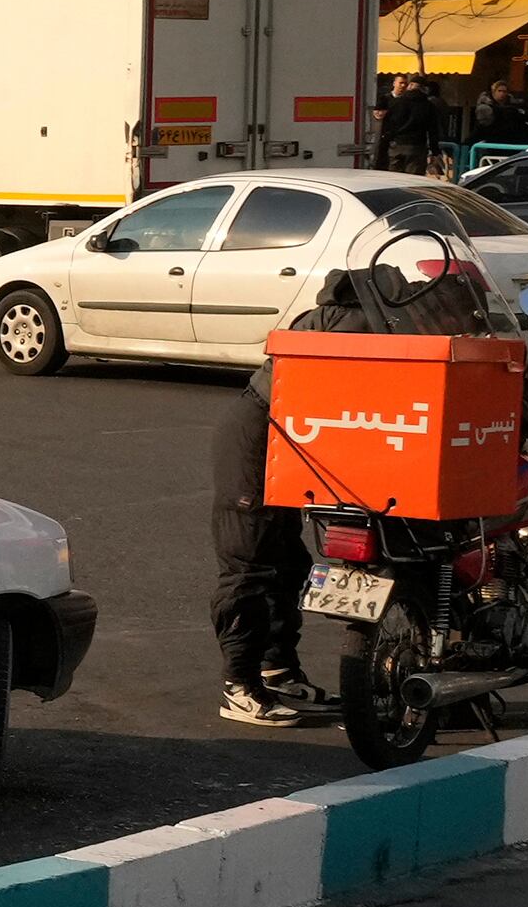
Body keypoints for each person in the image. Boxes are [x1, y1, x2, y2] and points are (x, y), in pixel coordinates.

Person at [213, 226, 504, 726]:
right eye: (461, 316)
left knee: (287, 559)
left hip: (310, 440)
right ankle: (238, 686)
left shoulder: (398, 329)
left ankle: (278, 670)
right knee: (252, 561)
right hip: (260, 438)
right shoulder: (358, 327)